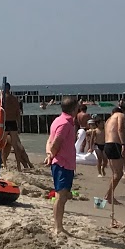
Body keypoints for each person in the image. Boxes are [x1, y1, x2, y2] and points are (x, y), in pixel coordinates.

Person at [44, 97, 81, 235]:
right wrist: (51, 155)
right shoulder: (65, 123)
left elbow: (49, 140)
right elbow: (55, 142)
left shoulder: (59, 120)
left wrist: (49, 154)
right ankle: (57, 227)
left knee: (64, 196)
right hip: (62, 164)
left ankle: (59, 226)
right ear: (73, 109)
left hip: (65, 164)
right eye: (77, 107)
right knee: (60, 196)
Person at [101, 102, 125, 225]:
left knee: (115, 173)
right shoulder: (120, 116)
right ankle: (108, 196)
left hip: (107, 145)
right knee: (118, 174)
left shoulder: (108, 119)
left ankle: (109, 195)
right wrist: (123, 144)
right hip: (115, 144)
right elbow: (120, 129)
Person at [0, 83, 33, 169]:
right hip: (13, 122)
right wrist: (19, 126)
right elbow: (18, 113)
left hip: (5, 123)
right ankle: (18, 165)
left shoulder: (2, 99)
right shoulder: (14, 99)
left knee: (2, 145)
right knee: (16, 145)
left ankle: (5, 164)